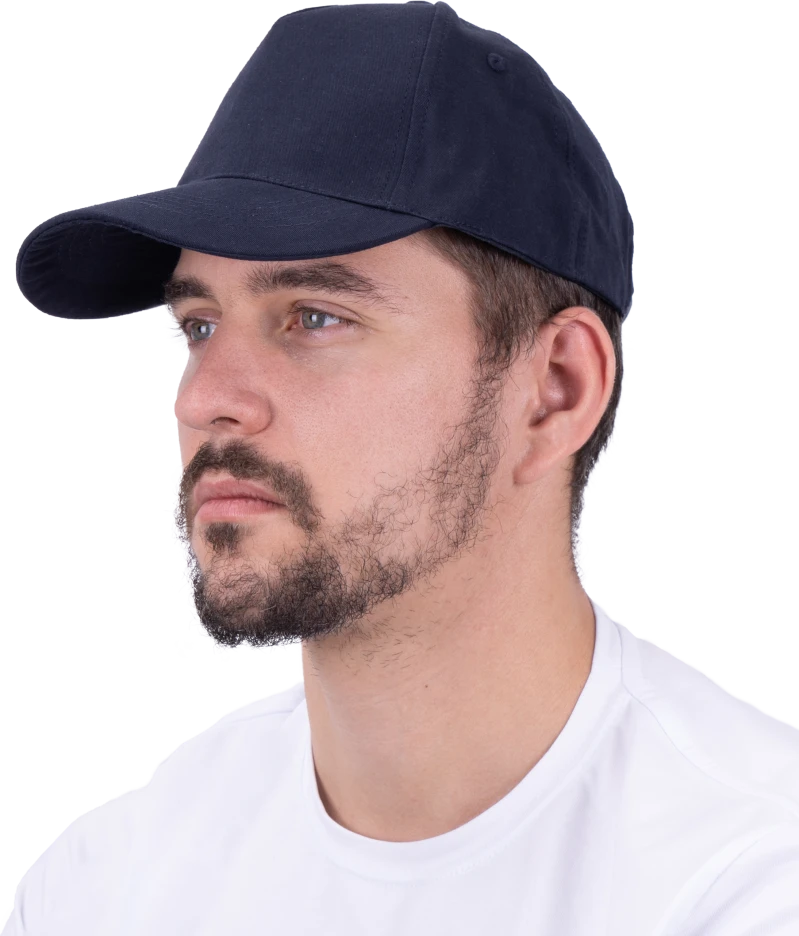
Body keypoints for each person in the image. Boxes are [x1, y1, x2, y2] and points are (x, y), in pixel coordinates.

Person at [8, 3, 797, 935]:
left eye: (314, 317)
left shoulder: (748, 877)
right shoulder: (112, 883)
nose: (205, 400)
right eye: (200, 326)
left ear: (555, 389)